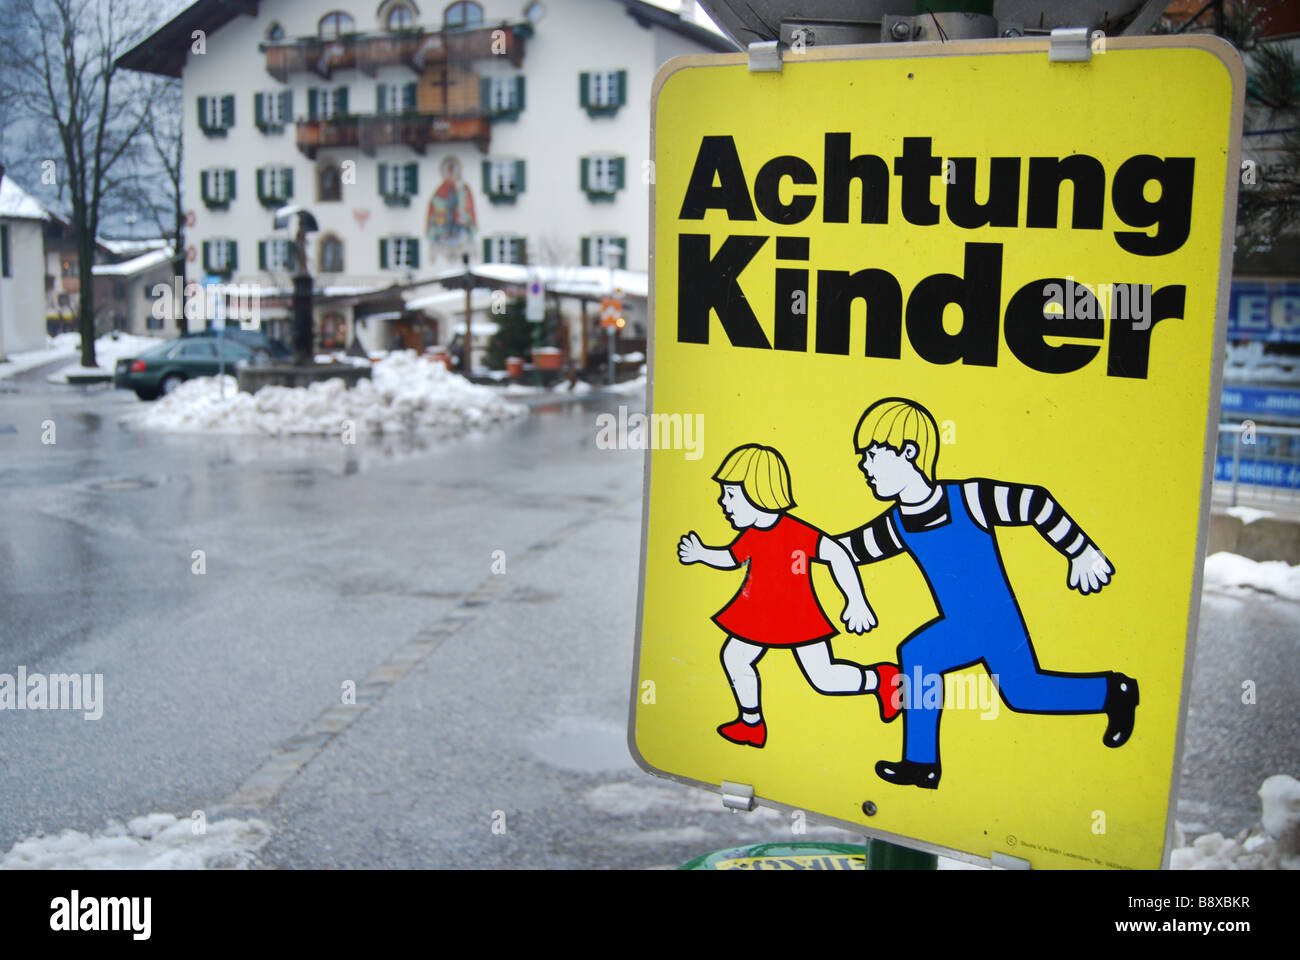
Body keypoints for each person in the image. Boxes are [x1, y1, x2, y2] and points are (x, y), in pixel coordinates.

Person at [836, 398, 1139, 790]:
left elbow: (1035, 502)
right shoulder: (898, 522)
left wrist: (1079, 550)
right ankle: (922, 763)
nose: (864, 466)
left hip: (996, 622)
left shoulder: (969, 498)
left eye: (873, 455)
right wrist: (795, 545)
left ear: (909, 452)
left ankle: (1114, 690)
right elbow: (848, 549)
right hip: (962, 624)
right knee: (968, 672)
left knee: (1010, 688)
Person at [678, 443, 899, 748]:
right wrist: (702, 554)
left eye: (730, 494)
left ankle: (882, 679)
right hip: (758, 614)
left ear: (757, 492)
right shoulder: (751, 535)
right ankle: (751, 723)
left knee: (825, 679)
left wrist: (856, 600)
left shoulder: (796, 532)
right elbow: (731, 558)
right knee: (734, 657)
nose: (722, 502)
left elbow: (837, 553)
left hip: (798, 617)